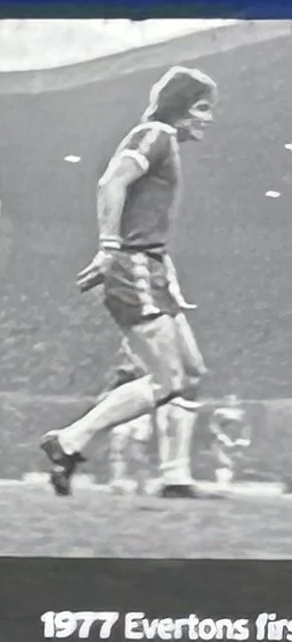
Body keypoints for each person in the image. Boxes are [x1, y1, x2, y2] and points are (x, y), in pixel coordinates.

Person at [41, 63, 216, 500]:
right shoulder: (154, 133)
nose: (208, 117)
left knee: (191, 373)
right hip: (133, 267)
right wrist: (108, 246)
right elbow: (111, 181)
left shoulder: (167, 142)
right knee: (166, 379)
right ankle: (69, 441)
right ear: (180, 107)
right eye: (202, 107)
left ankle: (176, 476)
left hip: (152, 267)